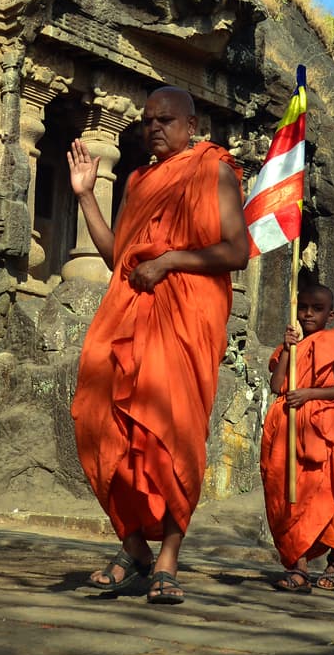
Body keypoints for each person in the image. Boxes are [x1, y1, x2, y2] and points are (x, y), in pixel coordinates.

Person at [69, 87, 250, 606]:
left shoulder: (213, 169)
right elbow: (116, 255)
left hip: (186, 313)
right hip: (128, 308)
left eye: (166, 120)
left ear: (191, 124)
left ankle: (168, 559)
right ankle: (133, 549)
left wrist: (169, 261)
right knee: (101, 418)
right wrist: (85, 195)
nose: (154, 129)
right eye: (147, 120)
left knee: (171, 432)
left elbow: (236, 251)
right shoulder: (138, 179)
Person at [261, 283, 334, 592]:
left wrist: (309, 394)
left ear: (330, 315)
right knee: (286, 496)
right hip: (286, 427)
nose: (307, 314)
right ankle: (299, 565)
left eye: (316, 309)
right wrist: (289, 349)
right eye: (302, 307)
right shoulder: (289, 347)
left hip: (321, 428)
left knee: (320, 494)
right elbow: (278, 385)